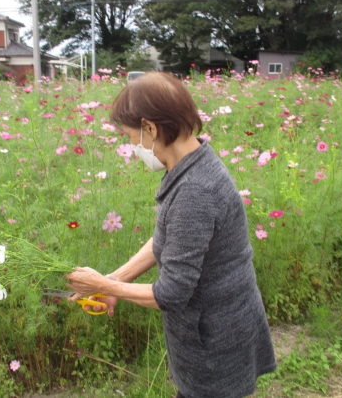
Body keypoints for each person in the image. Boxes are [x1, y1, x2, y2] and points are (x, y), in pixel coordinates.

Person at [65, 72, 276, 398]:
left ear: (150, 128)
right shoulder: (194, 163)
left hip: (216, 344)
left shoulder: (195, 190)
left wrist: (104, 286)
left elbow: (172, 294)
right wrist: (115, 280)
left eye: (131, 136)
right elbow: (171, 240)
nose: (132, 147)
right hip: (219, 326)